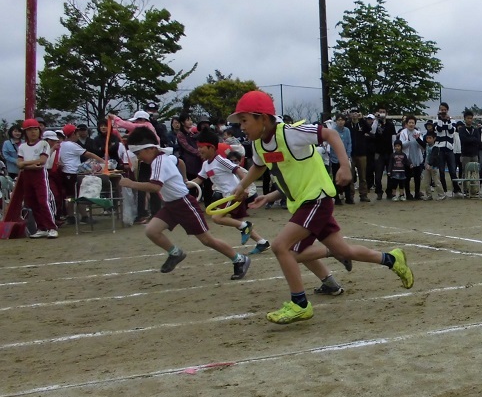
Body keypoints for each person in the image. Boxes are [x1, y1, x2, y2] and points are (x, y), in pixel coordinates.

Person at [228, 90, 413, 324]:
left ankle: (300, 304)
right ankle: (392, 259)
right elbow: (261, 167)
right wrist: (249, 189)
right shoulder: (258, 145)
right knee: (343, 251)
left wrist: (344, 166)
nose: (241, 127)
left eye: (244, 120)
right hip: (303, 202)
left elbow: (330, 134)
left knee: (281, 247)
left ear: (263, 118)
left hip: (316, 199)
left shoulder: (290, 133)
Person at [119, 128, 252, 279]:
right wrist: (182, 179)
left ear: (150, 149)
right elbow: (179, 162)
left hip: (184, 204)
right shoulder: (164, 157)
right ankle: (175, 253)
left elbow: (155, 187)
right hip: (170, 205)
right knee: (151, 231)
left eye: (138, 154)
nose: (139, 158)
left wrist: (130, 183)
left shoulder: (159, 161)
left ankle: (239, 259)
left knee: (207, 240)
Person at [192, 129, 270, 255]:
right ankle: (262, 242)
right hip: (229, 196)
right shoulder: (206, 164)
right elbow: (198, 180)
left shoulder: (221, 161)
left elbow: (239, 171)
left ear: (211, 147)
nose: (198, 150)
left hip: (233, 195)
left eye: (201, 147)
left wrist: (245, 188)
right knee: (239, 222)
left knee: (216, 218)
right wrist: (183, 184)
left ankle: (246, 226)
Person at [15, 119, 59, 238]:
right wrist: (29, 164)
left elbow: (42, 161)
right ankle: (41, 227)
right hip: (27, 175)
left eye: (35, 129)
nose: (33, 132)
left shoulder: (43, 144)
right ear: (25, 132)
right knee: (31, 202)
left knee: (43, 201)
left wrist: (24, 163)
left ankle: (51, 227)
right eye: (30, 130)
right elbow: (18, 163)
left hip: (39, 175)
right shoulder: (22, 146)